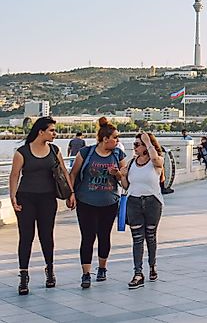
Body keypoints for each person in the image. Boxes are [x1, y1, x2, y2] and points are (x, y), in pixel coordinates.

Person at [10, 117, 72, 295]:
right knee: (26, 237)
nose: (55, 133)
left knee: (47, 236)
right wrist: (13, 197)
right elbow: (14, 176)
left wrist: (71, 193)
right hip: (26, 198)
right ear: (41, 132)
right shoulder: (22, 152)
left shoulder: (54, 150)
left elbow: (64, 172)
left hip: (48, 198)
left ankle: (50, 270)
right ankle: (23, 276)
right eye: (52, 130)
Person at [68, 117, 127, 288]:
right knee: (87, 237)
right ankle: (86, 273)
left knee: (104, 236)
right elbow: (73, 174)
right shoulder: (86, 153)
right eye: (115, 137)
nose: (117, 140)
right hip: (86, 202)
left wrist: (117, 174)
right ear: (105, 138)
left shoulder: (118, 154)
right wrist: (70, 194)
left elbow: (125, 182)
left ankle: (102, 268)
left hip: (109, 203)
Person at [119, 132, 164, 289]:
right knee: (137, 238)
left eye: (138, 144)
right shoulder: (132, 163)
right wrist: (120, 176)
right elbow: (126, 186)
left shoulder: (156, 161)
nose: (135, 147)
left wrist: (148, 141)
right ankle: (138, 273)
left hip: (153, 202)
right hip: (134, 202)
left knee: (150, 236)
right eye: (135, 144)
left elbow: (156, 160)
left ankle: (152, 266)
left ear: (146, 146)